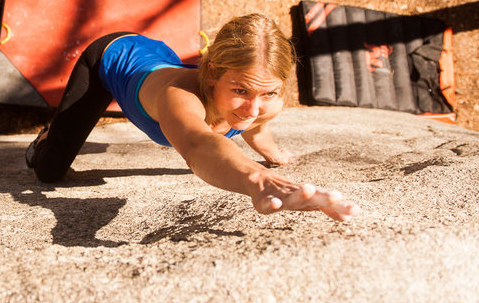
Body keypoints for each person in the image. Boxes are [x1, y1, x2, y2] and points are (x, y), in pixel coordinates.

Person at [26, 13, 360, 221]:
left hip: (156, 56)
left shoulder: (262, 102)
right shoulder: (178, 98)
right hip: (109, 57)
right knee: (49, 171)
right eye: (241, 91)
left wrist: (269, 153)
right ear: (212, 73)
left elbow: (256, 125)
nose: (253, 109)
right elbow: (198, 146)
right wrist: (257, 179)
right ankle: (50, 132)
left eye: (269, 93)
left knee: (252, 108)